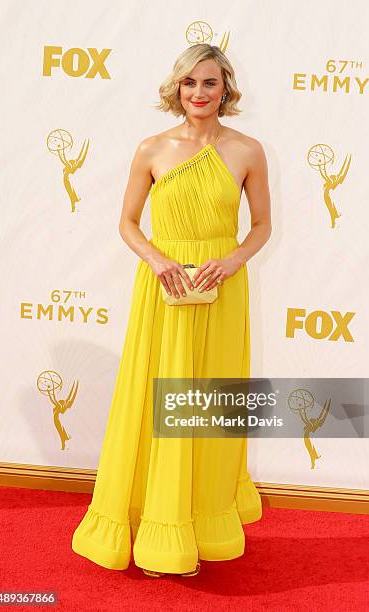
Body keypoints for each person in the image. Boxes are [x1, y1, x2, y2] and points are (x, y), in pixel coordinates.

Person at [71, 43, 272, 578]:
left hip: (221, 290)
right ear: (176, 89)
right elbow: (128, 222)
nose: (199, 93)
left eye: (209, 83)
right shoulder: (152, 149)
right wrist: (158, 260)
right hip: (165, 288)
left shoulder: (248, 150)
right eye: (189, 84)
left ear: (225, 86)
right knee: (156, 397)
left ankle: (201, 525)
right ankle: (157, 528)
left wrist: (232, 261)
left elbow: (262, 227)